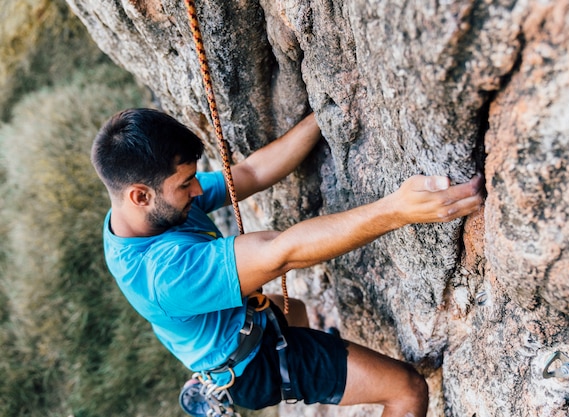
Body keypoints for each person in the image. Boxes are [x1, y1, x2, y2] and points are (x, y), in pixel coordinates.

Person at [91, 107, 484, 417]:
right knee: (407, 389)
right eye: (184, 185)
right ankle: (306, 371)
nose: (198, 189)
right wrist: (398, 210)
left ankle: (315, 361)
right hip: (253, 366)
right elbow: (281, 252)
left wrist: (323, 113)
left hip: (246, 325)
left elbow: (250, 172)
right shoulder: (164, 276)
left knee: (296, 309)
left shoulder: (145, 213)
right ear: (140, 196)